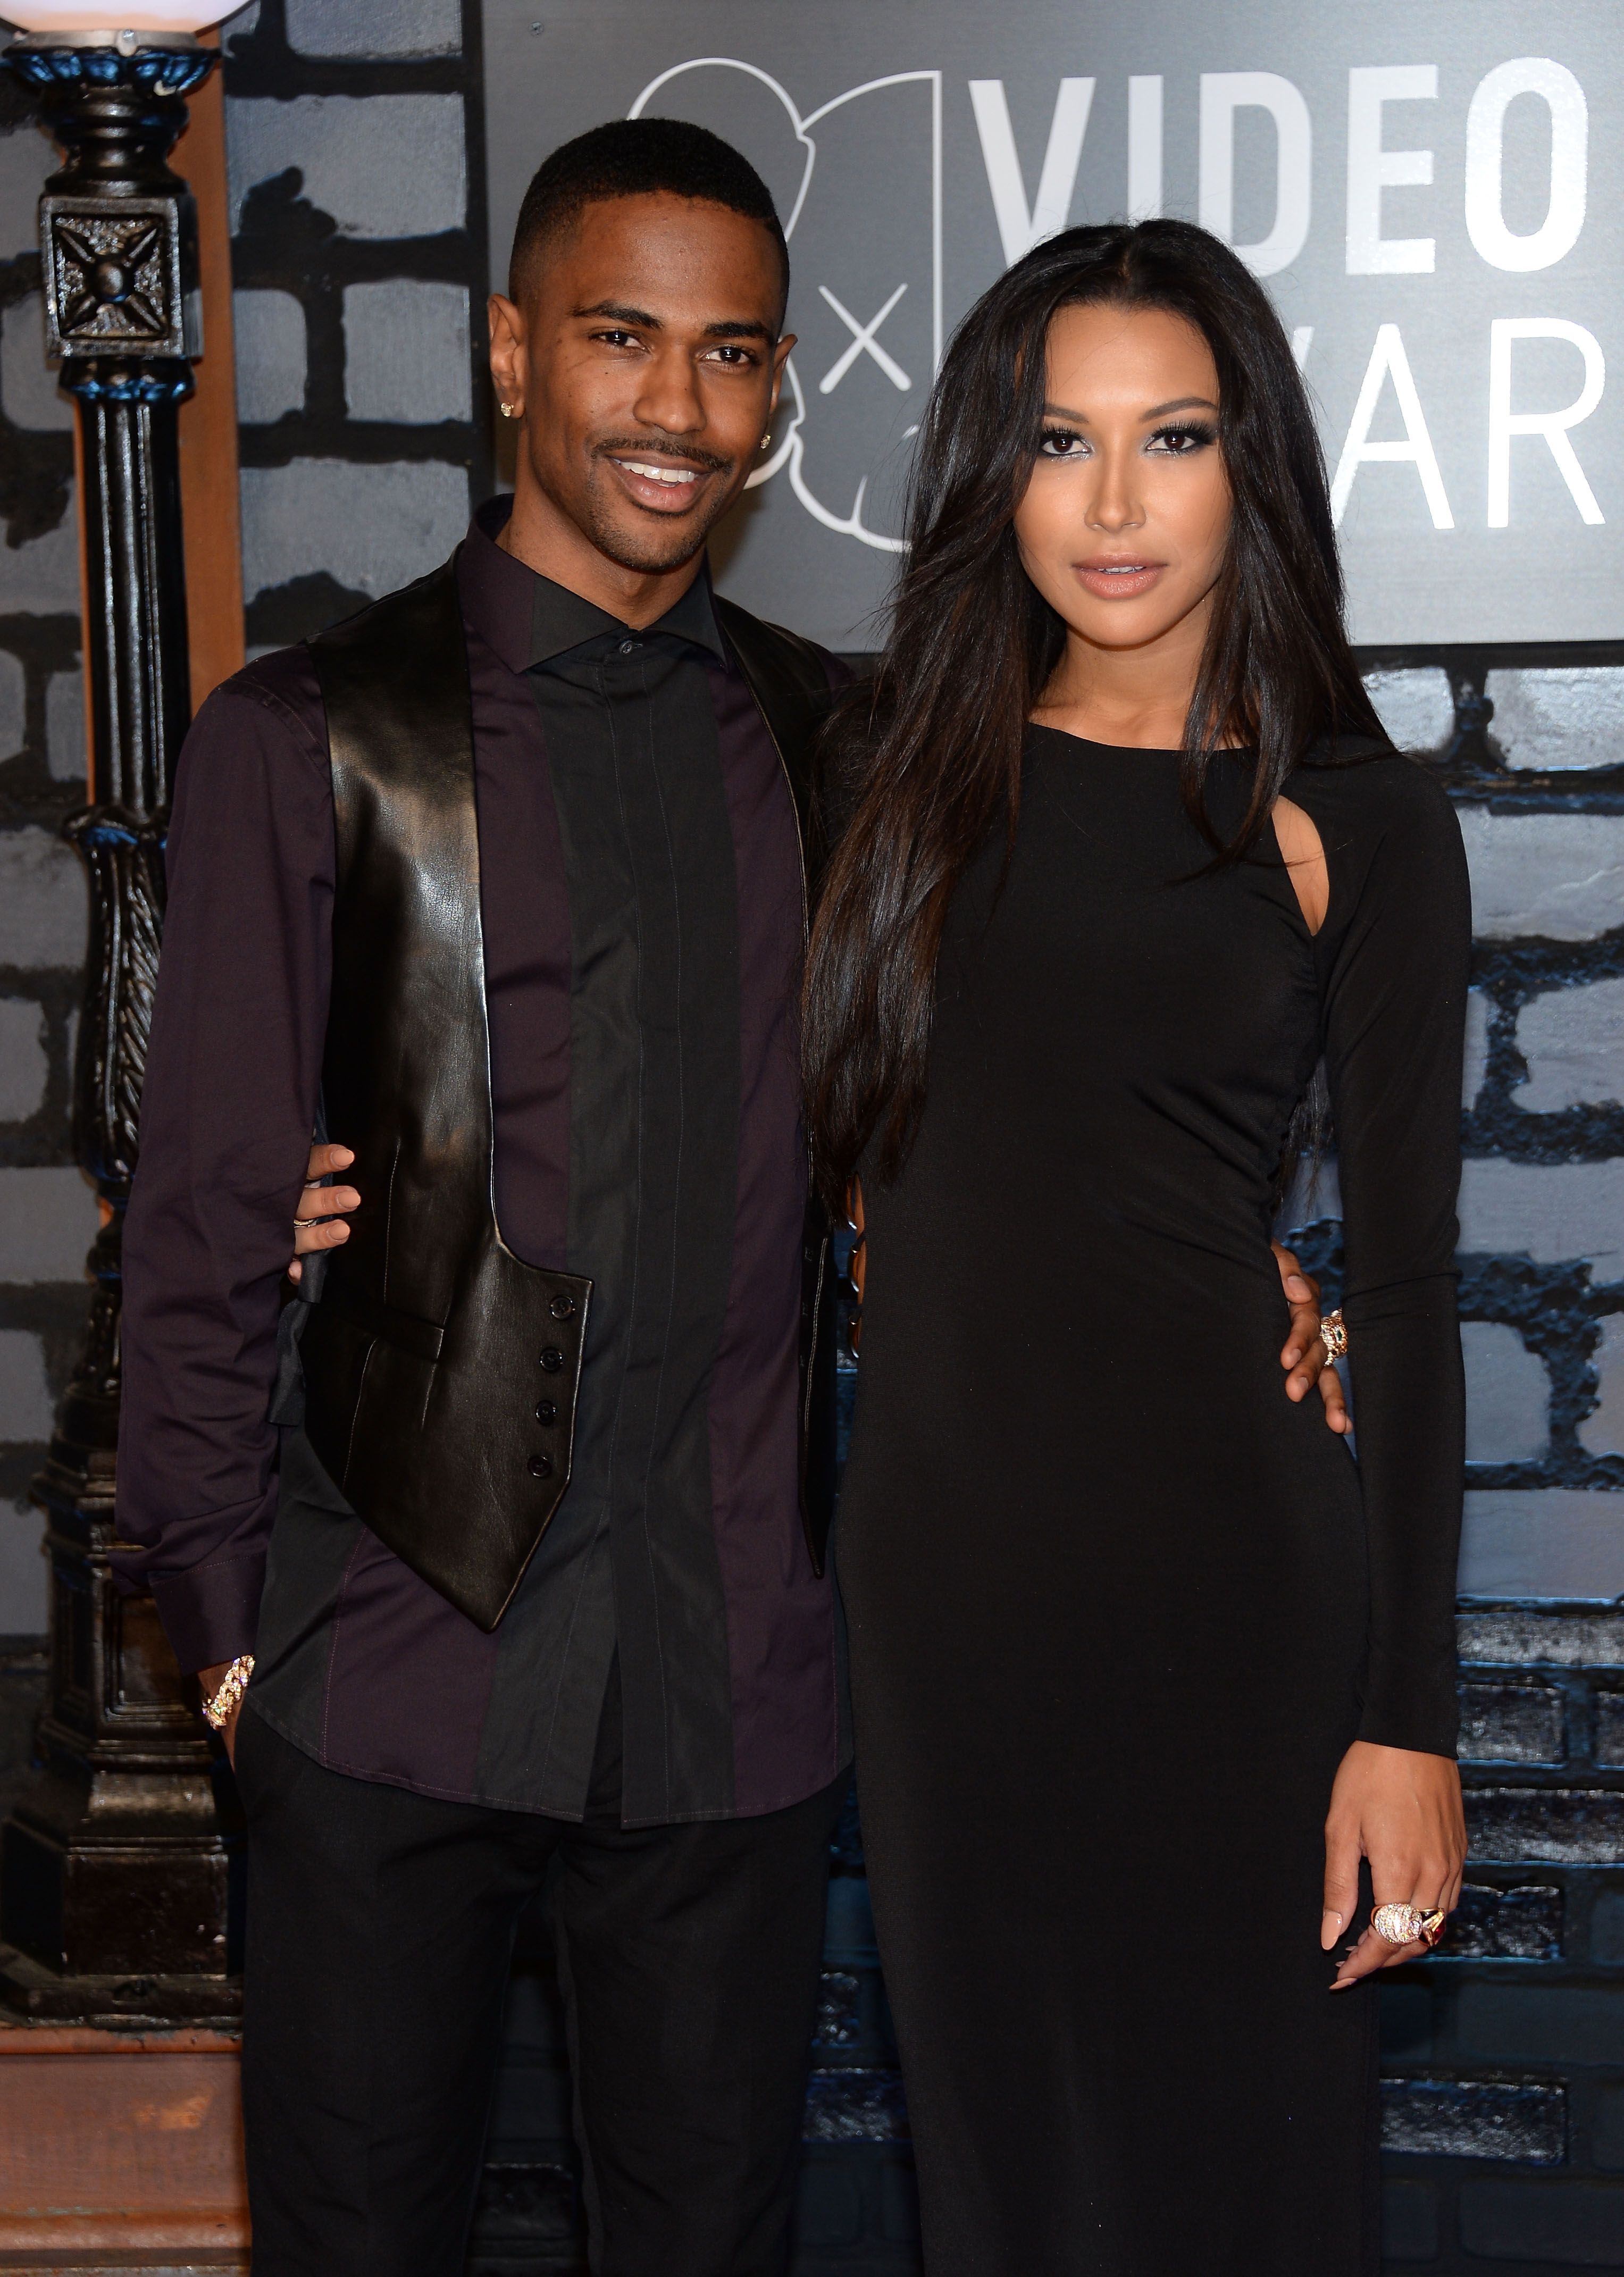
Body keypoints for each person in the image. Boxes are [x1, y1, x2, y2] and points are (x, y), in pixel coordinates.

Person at [118, 119, 1340, 2276]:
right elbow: (205, 1238)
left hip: (734, 1702)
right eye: (622, 339)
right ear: (514, 352)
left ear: (778, 388)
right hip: (383, 1682)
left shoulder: (856, 748)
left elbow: (1036, 1083)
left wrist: (1226, 1253)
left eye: (732, 355)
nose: (677, 407)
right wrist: (232, 1658)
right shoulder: (308, 735)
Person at [802, 220, 1469, 2275]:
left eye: (1172, 438)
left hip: (1232, 1595)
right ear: (990, 475)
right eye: (1057, 440)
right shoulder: (885, 770)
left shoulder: (1352, 816)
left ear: (1248, 464)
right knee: (998, 2187)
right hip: (943, 1594)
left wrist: (1411, 1719)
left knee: (1242, 2187)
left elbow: (1412, 1284)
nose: (1113, 505)